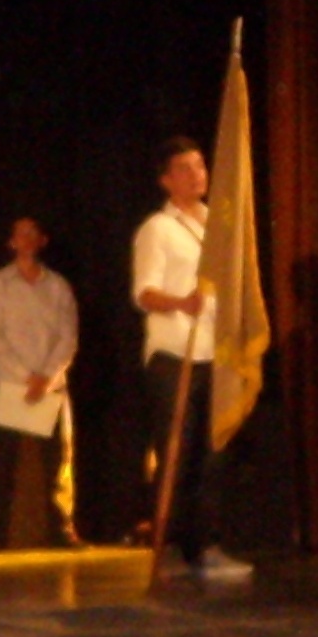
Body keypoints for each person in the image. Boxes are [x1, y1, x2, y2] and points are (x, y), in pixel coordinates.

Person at [132, 137, 250, 579]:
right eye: (184, 168)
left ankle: (207, 546)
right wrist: (181, 302)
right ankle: (167, 547)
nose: (196, 174)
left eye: (200, 165)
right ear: (166, 180)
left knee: (213, 455)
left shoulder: (217, 227)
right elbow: (144, 292)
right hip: (174, 354)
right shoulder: (158, 229)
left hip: (213, 355)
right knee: (177, 456)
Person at [0, 217, 82, 550]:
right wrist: (27, 376)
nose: (26, 239)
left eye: (32, 233)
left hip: (51, 384)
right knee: (3, 465)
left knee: (57, 462)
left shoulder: (58, 286)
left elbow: (68, 337)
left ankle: (60, 530)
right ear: (11, 242)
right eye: (20, 234)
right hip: (13, 383)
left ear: (42, 240)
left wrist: (47, 376)